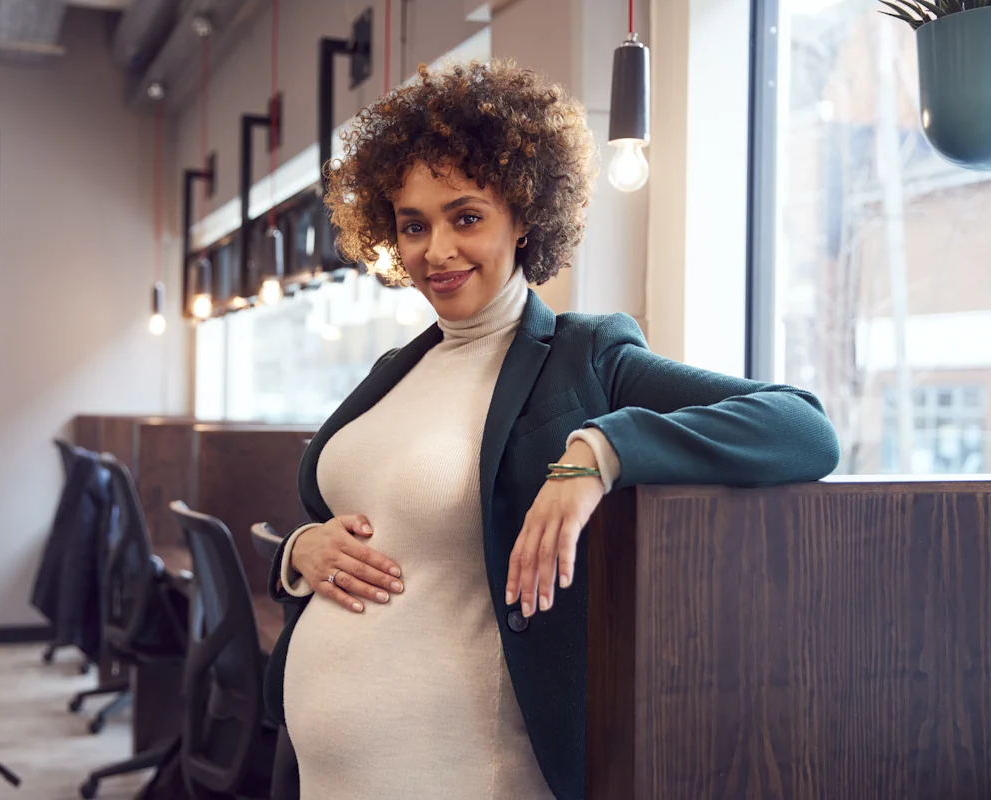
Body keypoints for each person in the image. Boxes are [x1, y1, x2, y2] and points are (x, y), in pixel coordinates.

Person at [262, 60, 840, 800]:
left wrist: (596, 453)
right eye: (414, 225)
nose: (436, 250)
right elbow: (334, 509)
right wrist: (298, 551)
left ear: (524, 215)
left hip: (463, 770)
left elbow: (800, 427)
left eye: (465, 216)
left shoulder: (581, 356)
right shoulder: (394, 370)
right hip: (328, 772)